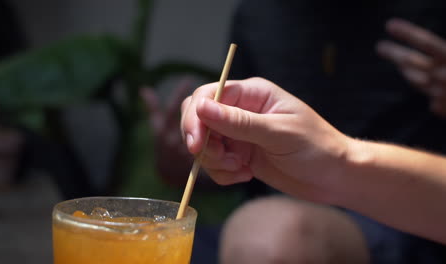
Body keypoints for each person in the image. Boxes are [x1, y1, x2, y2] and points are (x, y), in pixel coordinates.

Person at [181, 77, 446, 263]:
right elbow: (237, 170)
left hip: (413, 233)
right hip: (280, 195)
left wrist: (340, 161)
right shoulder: (260, 17)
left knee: (268, 239)